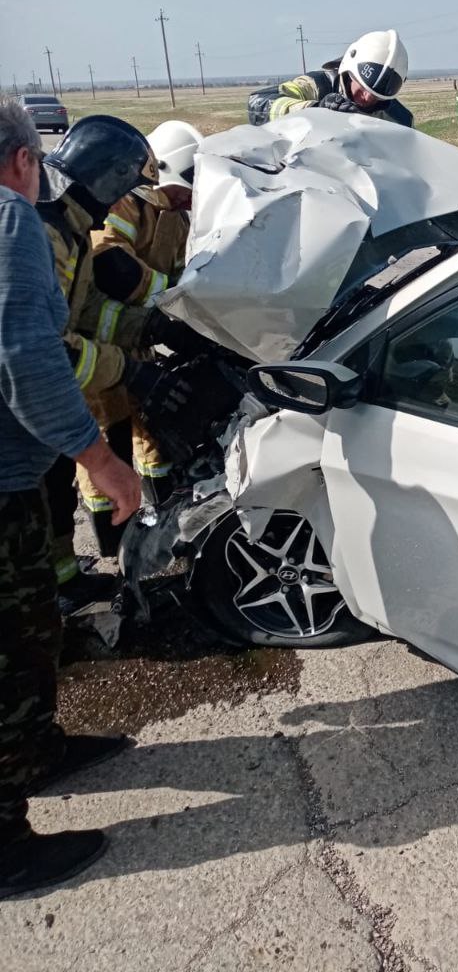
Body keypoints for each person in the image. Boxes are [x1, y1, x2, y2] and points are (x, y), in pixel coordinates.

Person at [0, 95, 141, 898]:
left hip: (12, 475)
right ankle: (5, 847)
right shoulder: (13, 223)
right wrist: (102, 459)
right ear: (24, 160)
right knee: (9, 653)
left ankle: (36, 751)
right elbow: (30, 356)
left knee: (31, 633)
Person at [36, 116, 197, 607]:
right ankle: (51, 597)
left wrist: (151, 329)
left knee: (57, 484)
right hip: (38, 396)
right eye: (120, 191)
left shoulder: (72, 229)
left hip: (67, 378)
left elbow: (88, 309)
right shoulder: (46, 235)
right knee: (48, 488)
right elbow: (51, 348)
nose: (118, 205)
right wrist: (129, 368)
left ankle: (63, 585)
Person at [81, 121, 202, 553]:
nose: (189, 198)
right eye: (184, 188)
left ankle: (160, 522)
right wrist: (165, 304)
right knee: (108, 437)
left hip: (138, 340)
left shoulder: (176, 216)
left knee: (152, 433)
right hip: (98, 345)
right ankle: (111, 542)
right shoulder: (126, 205)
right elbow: (110, 265)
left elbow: (187, 272)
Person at [248, 29, 413, 128]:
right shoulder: (316, 85)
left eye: (378, 96)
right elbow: (257, 103)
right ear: (349, 70)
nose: (368, 98)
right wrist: (315, 110)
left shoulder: (401, 120)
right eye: (362, 88)